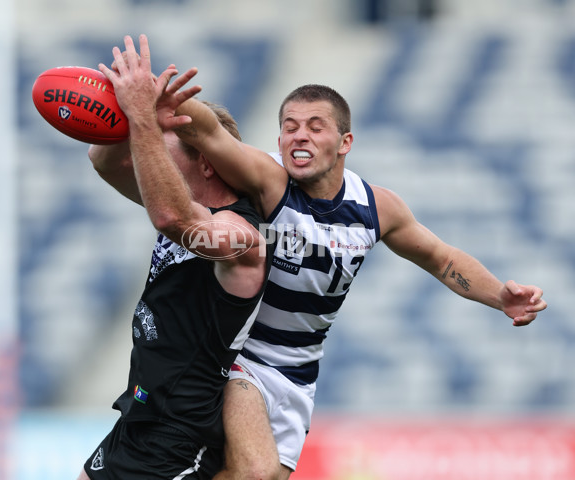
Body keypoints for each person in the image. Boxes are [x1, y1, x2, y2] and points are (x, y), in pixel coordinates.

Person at [92, 36, 548, 479]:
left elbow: (440, 258)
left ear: (345, 142)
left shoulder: (376, 208)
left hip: (300, 369)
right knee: (256, 471)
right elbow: (210, 131)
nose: (299, 136)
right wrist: (156, 97)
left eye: (314, 126)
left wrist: (500, 297)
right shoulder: (267, 179)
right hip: (242, 356)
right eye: (289, 126)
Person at [77, 34, 272, 479]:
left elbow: (170, 218)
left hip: (180, 437)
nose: (147, 157)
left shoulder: (242, 236)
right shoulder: (183, 202)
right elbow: (103, 162)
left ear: (206, 163)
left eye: (164, 144)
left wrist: (146, 119)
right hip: (139, 415)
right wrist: (129, 115)